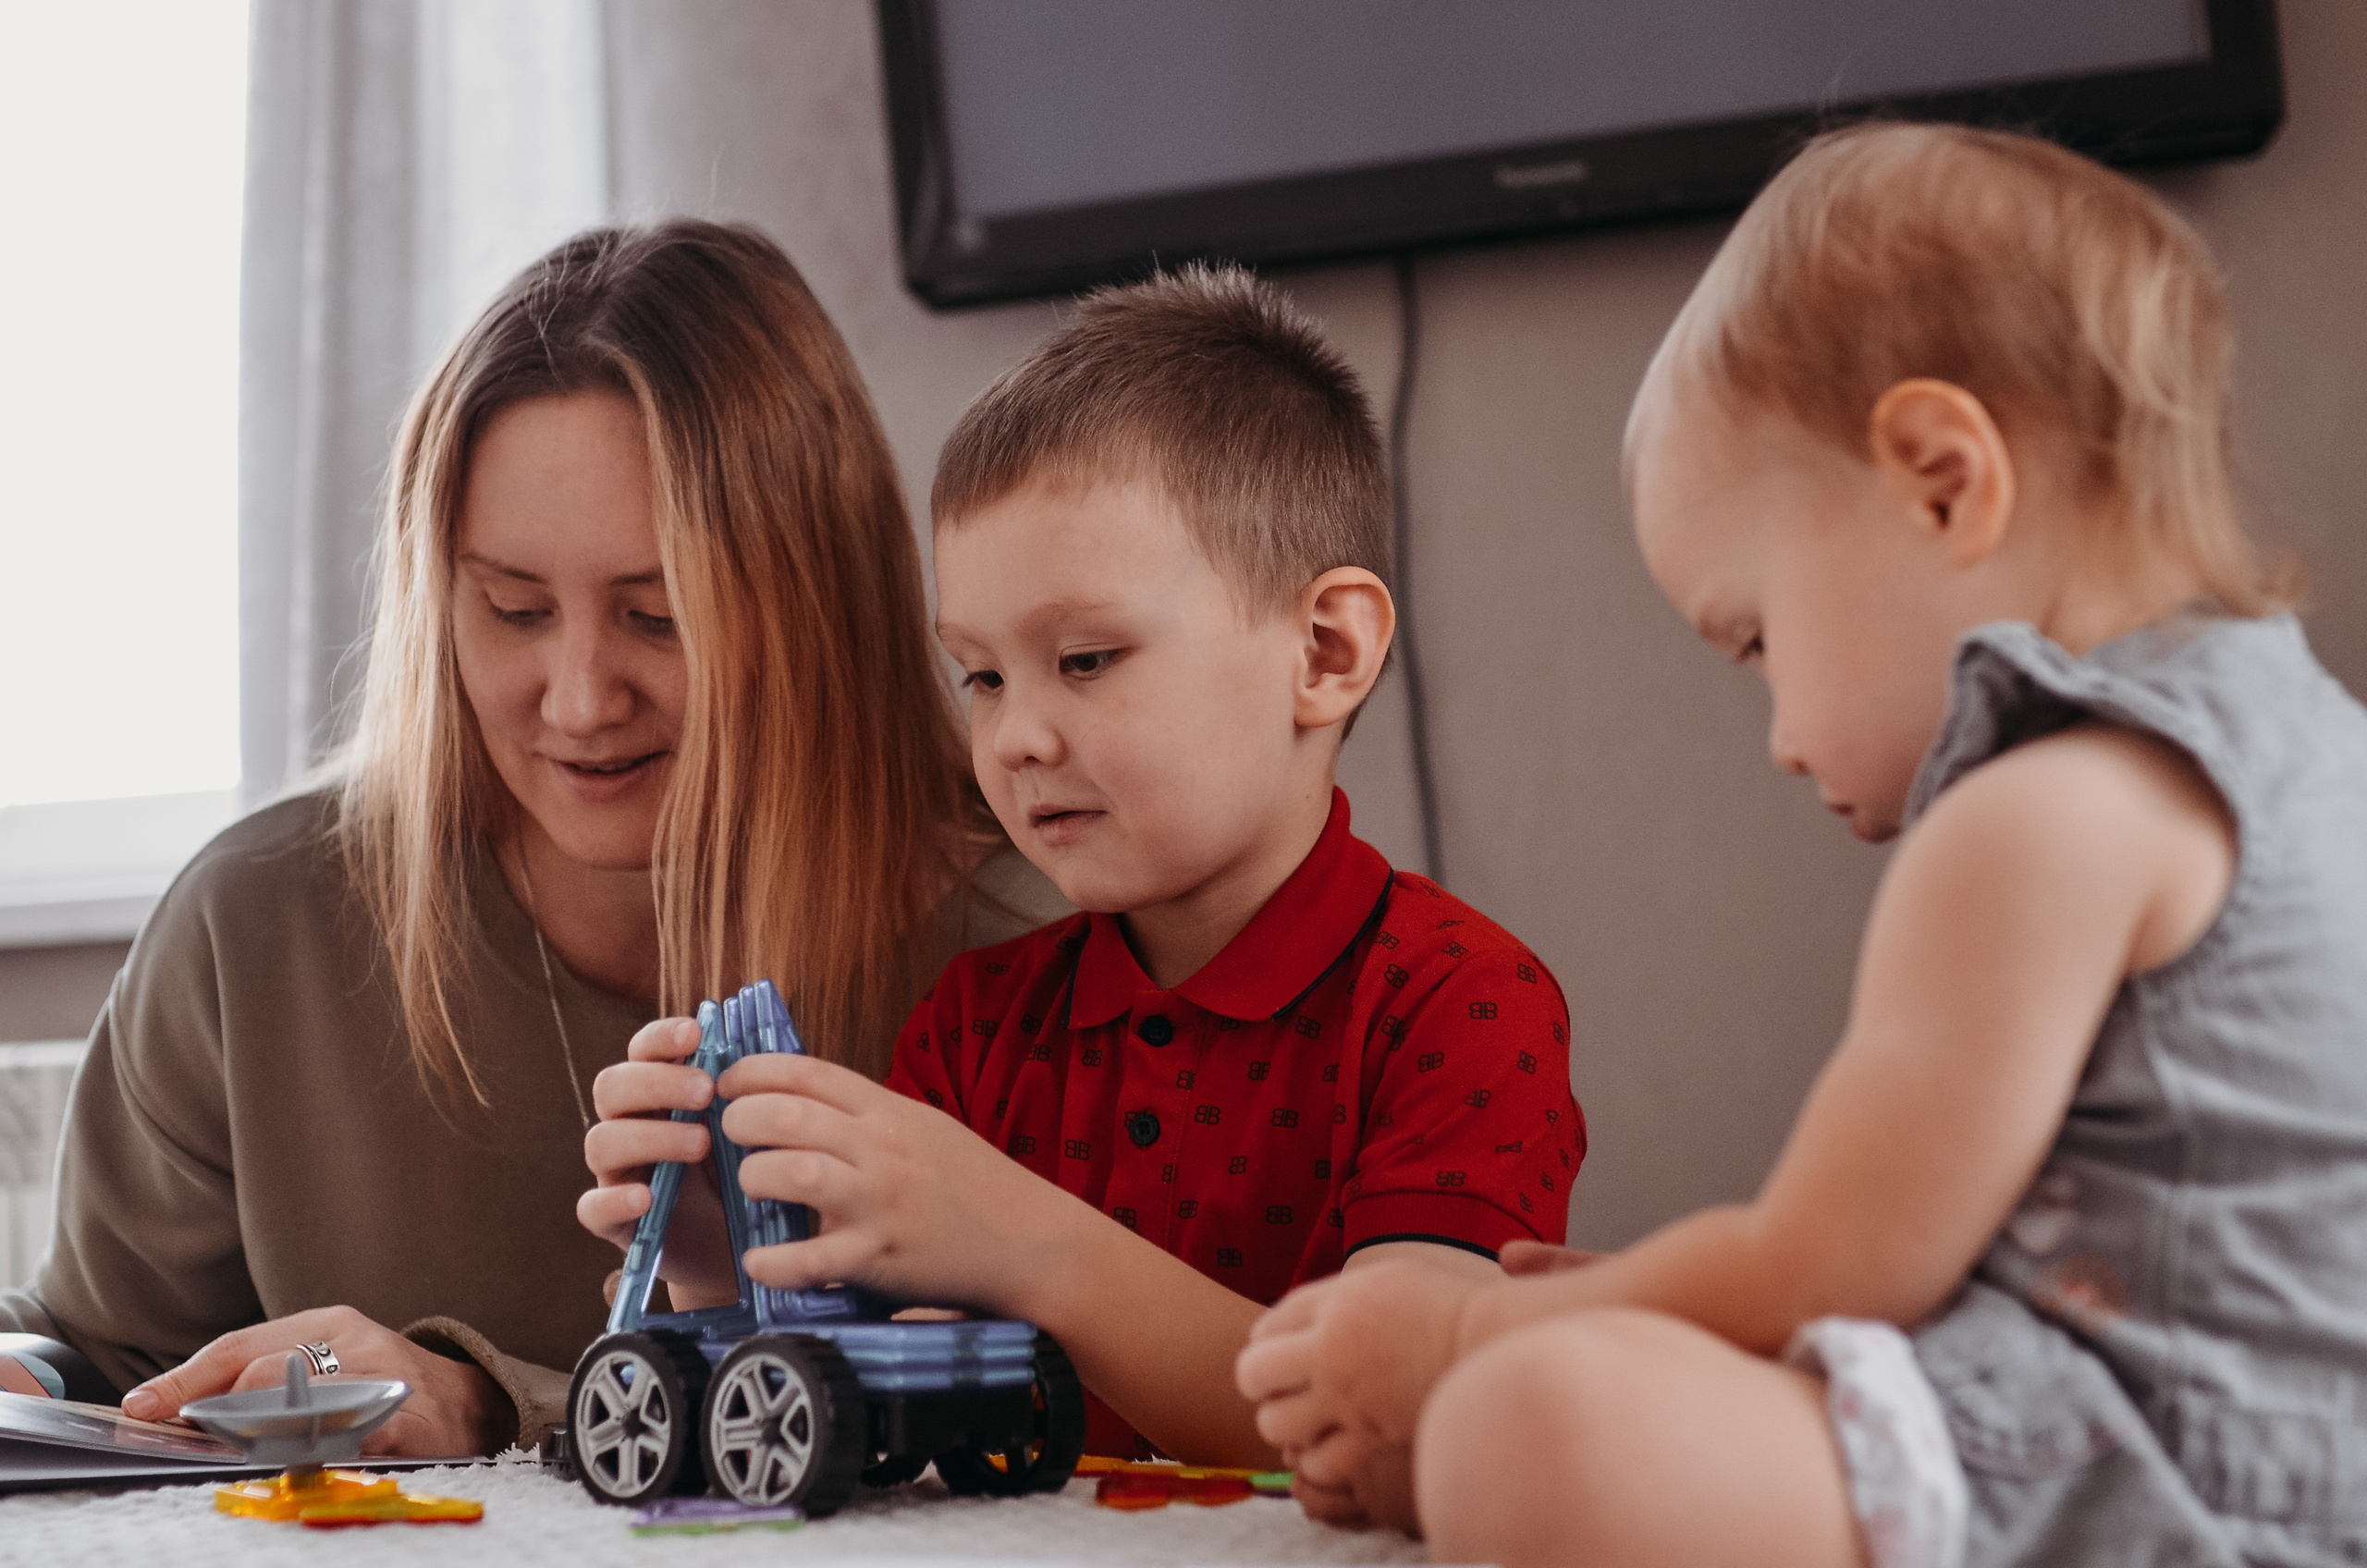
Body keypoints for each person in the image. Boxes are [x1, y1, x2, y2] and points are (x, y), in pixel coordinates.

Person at [1234, 120, 2367, 1568]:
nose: (1775, 731)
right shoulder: (2303, 749)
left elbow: (1835, 1264)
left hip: (2155, 1488)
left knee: (1529, 1420)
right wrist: (1655, 1301)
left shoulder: (2041, 815)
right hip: (2244, 1445)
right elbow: (1956, 1250)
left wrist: (1466, 1329)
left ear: (1942, 481)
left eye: (1756, 636)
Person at [0, 221, 1064, 1457]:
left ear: (817, 604)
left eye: (658, 618)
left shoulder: (1045, 935)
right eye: (512, 610)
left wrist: (490, 1401)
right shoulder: (257, 924)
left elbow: (1126, 1420)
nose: (577, 699)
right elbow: (100, 1360)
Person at [583, 263, 1585, 1465]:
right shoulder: (975, 1028)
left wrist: (1026, 1243)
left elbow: (1398, 1432)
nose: (1016, 737)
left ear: (1324, 651)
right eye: (985, 675)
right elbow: (896, 1426)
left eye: (1088, 659)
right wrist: (721, 1258)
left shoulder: (1460, 1005)